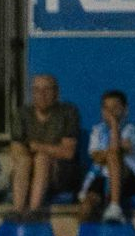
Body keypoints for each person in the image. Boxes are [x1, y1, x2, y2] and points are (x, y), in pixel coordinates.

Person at [7, 73, 80, 217]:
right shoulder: (22, 113)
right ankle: (17, 211)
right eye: (37, 90)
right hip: (28, 172)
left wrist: (37, 147)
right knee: (24, 160)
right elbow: (16, 148)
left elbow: (68, 152)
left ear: (56, 92)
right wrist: (33, 154)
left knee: (42, 158)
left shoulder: (68, 112)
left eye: (47, 90)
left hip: (59, 174)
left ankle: (34, 211)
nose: (42, 94)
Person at [77, 89, 135, 224]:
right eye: (106, 108)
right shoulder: (97, 130)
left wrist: (115, 126)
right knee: (87, 206)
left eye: (115, 108)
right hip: (102, 175)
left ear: (125, 110)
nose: (110, 112)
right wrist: (108, 153)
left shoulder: (130, 130)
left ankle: (115, 207)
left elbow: (117, 150)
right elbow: (96, 156)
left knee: (112, 156)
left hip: (127, 177)